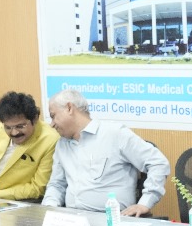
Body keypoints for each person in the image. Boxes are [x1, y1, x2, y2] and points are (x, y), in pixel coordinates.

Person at [41, 90, 170, 214]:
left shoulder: (115, 134)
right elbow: (57, 185)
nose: (51, 124)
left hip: (111, 218)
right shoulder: (62, 144)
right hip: (72, 220)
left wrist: (145, 203)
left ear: (69, 108)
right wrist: (48, 209)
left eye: (53, 116)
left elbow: (158, 163)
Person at [0, 91, 56, 201]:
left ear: (35, 119)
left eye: (20, 126)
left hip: (19, 202)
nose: (14, 133)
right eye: (8, 127)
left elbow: (37, 188)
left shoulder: (50, 140)